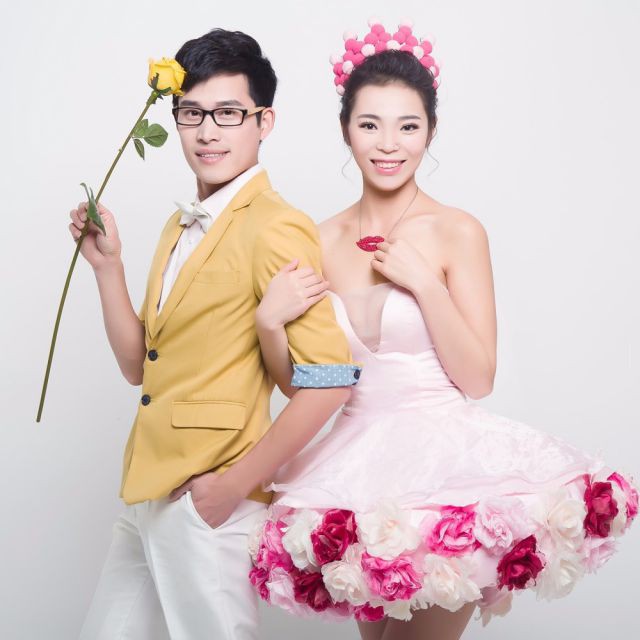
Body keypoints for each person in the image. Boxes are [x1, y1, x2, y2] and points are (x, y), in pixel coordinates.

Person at [244, 19, 639, 640]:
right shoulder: (315, 240)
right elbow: (308, 386)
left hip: (443, 466)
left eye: (408, 126)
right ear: (345, 129)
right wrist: (269, 322)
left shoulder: (457, 231)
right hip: (354, 469)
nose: (388, 144)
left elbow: (478, 378)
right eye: (369, 125)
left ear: (430, 131)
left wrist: (425, 285)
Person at [69, 28, 360, 640]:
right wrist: (108, 268)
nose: (207, 131)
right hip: (146, 491)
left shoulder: (277, 226)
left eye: (228, 113)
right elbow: (139, 366)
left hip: (207, 499)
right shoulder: (178, 225)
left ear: (264, 121)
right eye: (192, 113)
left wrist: (231, 487)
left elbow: (329, 382)